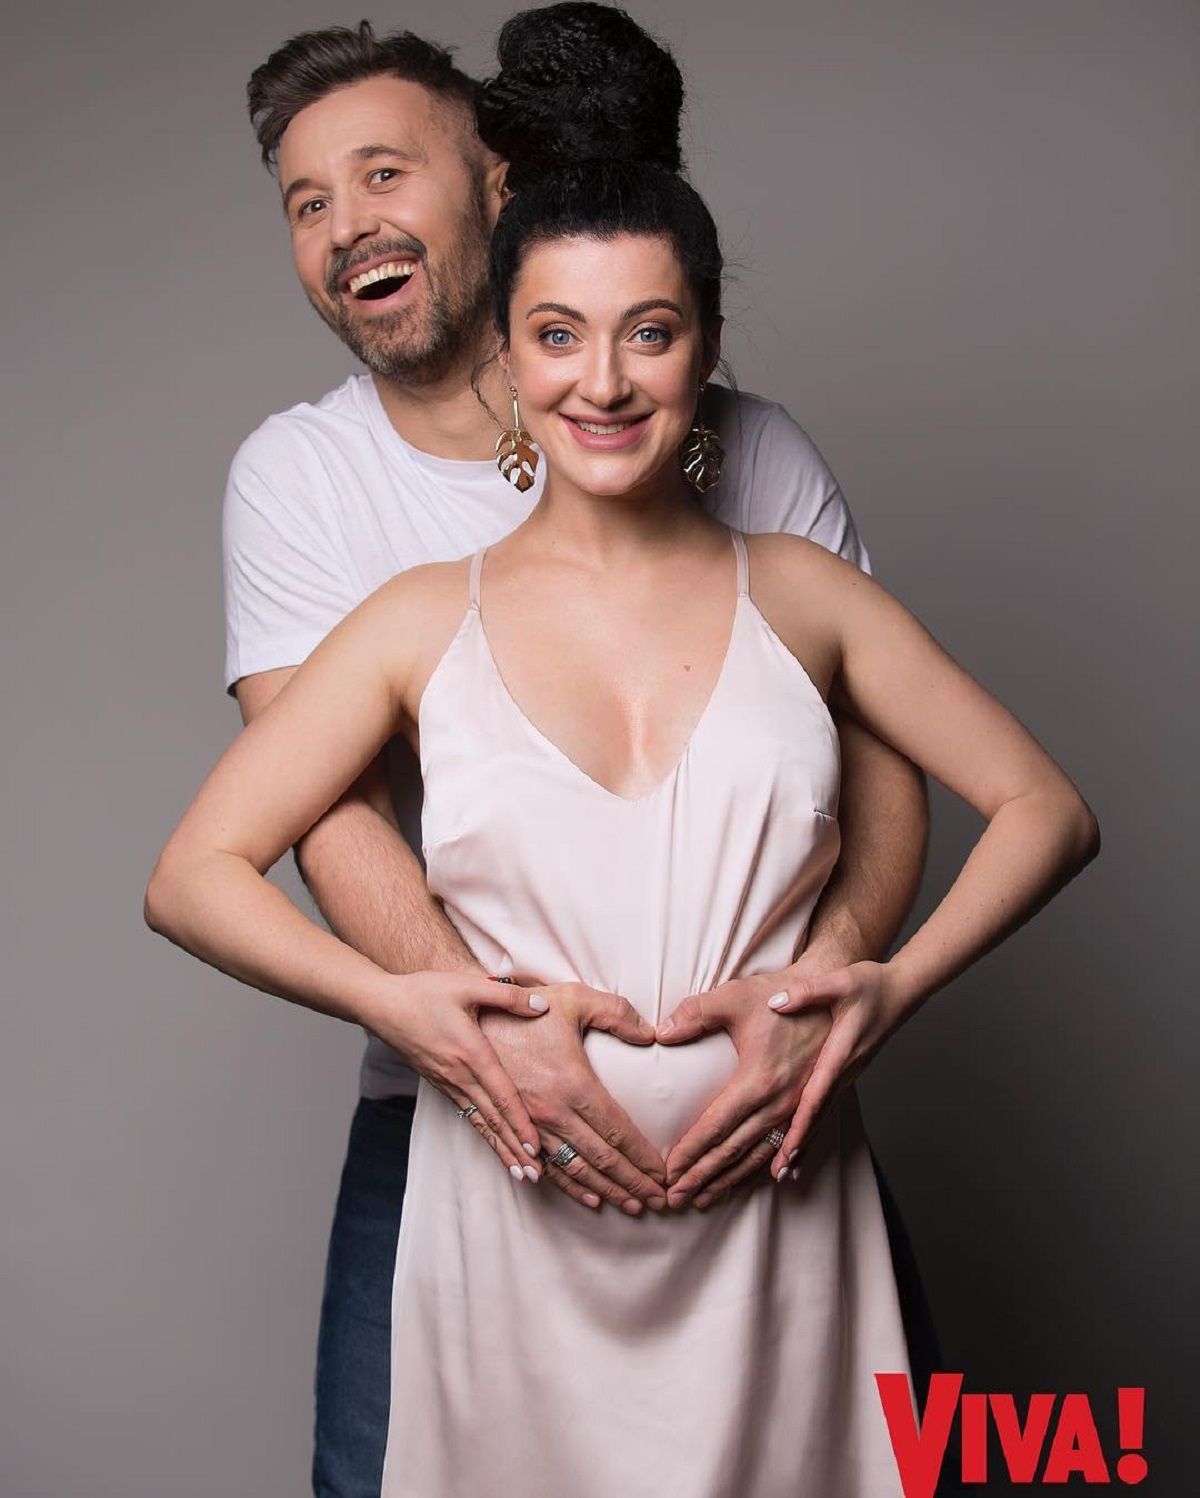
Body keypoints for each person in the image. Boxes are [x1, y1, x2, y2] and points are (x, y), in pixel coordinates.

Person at [147, 5, 1099, 1492]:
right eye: (308, 200)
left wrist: (846, 998)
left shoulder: (782, 530)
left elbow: (915, 789)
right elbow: (297, 826)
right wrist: (469, 1033)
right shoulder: (343, 524)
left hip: (775, 1140)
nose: (602, 380)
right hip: (477, 1138)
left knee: (913, 1459)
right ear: (524, 350)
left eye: (385, 172)